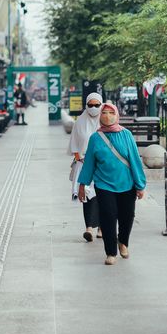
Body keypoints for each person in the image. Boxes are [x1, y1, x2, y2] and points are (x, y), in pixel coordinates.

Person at [78, 102, 147, 265]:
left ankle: (123, 242)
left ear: (117, 115)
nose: (107, 116)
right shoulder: (95, 138)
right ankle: (110, 252)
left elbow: (135, 161)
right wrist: (82, 185)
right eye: (104, 113)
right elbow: (89, 164)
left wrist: (140, 185)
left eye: (111, 113)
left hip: (127, 184)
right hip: (104, 184)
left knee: (127, 216)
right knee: (108, 217)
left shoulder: (126, 135)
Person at [68, 92, 103, 242]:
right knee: (87, 195)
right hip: (84, 164)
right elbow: (74, 144)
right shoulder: (80, 122)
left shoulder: (105, 120)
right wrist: (80, 159)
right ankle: (89, 228)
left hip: (102, 165)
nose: (94, 108)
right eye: (90, 105)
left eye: (97, 105)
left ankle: (101, 227)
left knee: (103, 195)